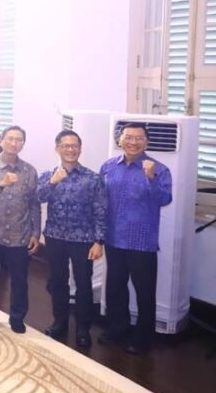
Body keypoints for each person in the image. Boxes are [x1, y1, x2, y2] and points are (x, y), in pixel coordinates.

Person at [99, 122, 173, 355]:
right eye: (128, 137)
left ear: (146, 142)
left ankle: (142, 338)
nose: (133, 142)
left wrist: (150, 178)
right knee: (115, 287)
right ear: (120, 140)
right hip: (113, 238)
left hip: (142, 241)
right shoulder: (108, 166)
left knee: (144, 291)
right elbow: (101, 201)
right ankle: (116, 328)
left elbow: (164, 199)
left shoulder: (160, 169)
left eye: (139, 138)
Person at [37, 129, 107, 348]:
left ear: (80, 149)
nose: (70, 149)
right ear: (57, 149)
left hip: (83, 239)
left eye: (74, 145)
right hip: (55, 237)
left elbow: (101, 210)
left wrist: (99, 241)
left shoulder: (92, 178)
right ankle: (60, 322)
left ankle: (83, 328)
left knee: (83, 283)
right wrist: (52, 182)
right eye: (66, 146)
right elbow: (37, 198)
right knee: (58, 281)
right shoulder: (49, 175)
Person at [0, 125, 40, 334]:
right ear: (2, 141)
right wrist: (1, 184)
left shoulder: (30, 171)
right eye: (10, 138)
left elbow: (34, 203)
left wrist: (35, 233)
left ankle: (17, 317)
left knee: (20, 281)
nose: (14, 143)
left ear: (23, 144)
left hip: (19, 235)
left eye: (19, 140)